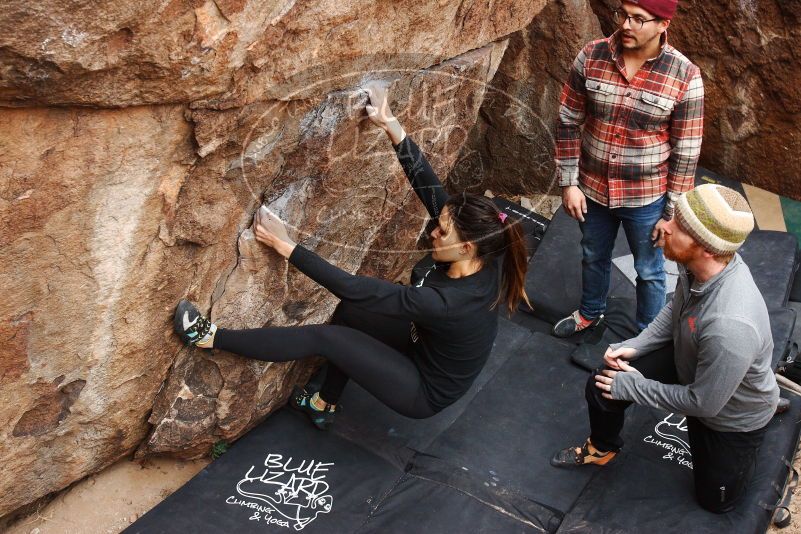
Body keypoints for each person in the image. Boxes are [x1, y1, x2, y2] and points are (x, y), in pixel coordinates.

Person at [173, 83, 530, 430]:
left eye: (442, 231)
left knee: (329, 337)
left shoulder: (446, 302)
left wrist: (285, 246)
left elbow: (355, 287)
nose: (433, 231)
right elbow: (431, 190)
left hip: (423, 389)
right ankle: (323, 403)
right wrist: (392, 125)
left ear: (466, 248)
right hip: (422, 340)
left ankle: (209, 337)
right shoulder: (486, 248)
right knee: (354, 314)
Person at [551, 184, 781, 513]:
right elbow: (675, 310)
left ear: (708, 249)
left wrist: (638, 386)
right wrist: (637, 344)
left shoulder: (729, 326)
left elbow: (703, 403)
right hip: (693, 359)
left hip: (727, 415)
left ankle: (766, 404)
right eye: (674, 217)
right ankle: (602, 448)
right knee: (604, 387)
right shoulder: (698, 267)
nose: (665, 225)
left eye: (679, 227)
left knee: (715, 502)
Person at [552, 0, 704, 337]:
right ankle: (590, 313)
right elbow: (566, 121)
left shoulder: (685, 75)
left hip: (646, 197)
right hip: (591, 187)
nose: (625, 25)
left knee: (650, 271)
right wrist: (569, 183)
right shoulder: (591, 55)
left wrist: (673, 213)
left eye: (638, 19)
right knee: (593, 254)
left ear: (663, 25)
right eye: (623, 14)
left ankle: (645, 339)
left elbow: (687, 151)